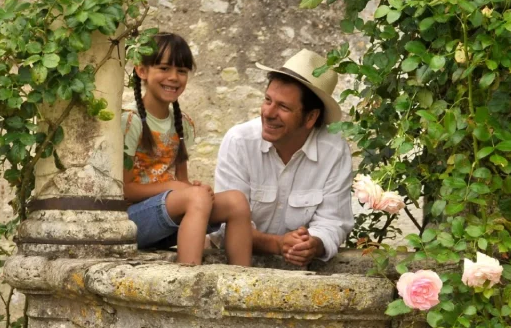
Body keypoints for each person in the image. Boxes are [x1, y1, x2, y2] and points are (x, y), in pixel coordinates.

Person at [213, 49, 354, 267]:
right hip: (238, 267)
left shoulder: (334, 151)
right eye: (268, 100)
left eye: (283, 107)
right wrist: (279, 244)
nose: (268, 113)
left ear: (311, 117)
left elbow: (333, 222)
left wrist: (312, 244)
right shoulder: (239, 141)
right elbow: (226, 225)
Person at [123, 33, 252, 266]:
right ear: (142, 71)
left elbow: (182, 181)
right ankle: (188, 278)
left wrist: (193, 188)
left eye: (181, 71)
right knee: (195, 197)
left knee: (236, 201)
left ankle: (241, 280)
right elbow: (125, 190)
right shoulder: (130, 121)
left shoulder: (184, 123)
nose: (173, 77)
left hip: (168, 217)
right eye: (164, 68)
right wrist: (174, 188)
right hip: (133, 222)